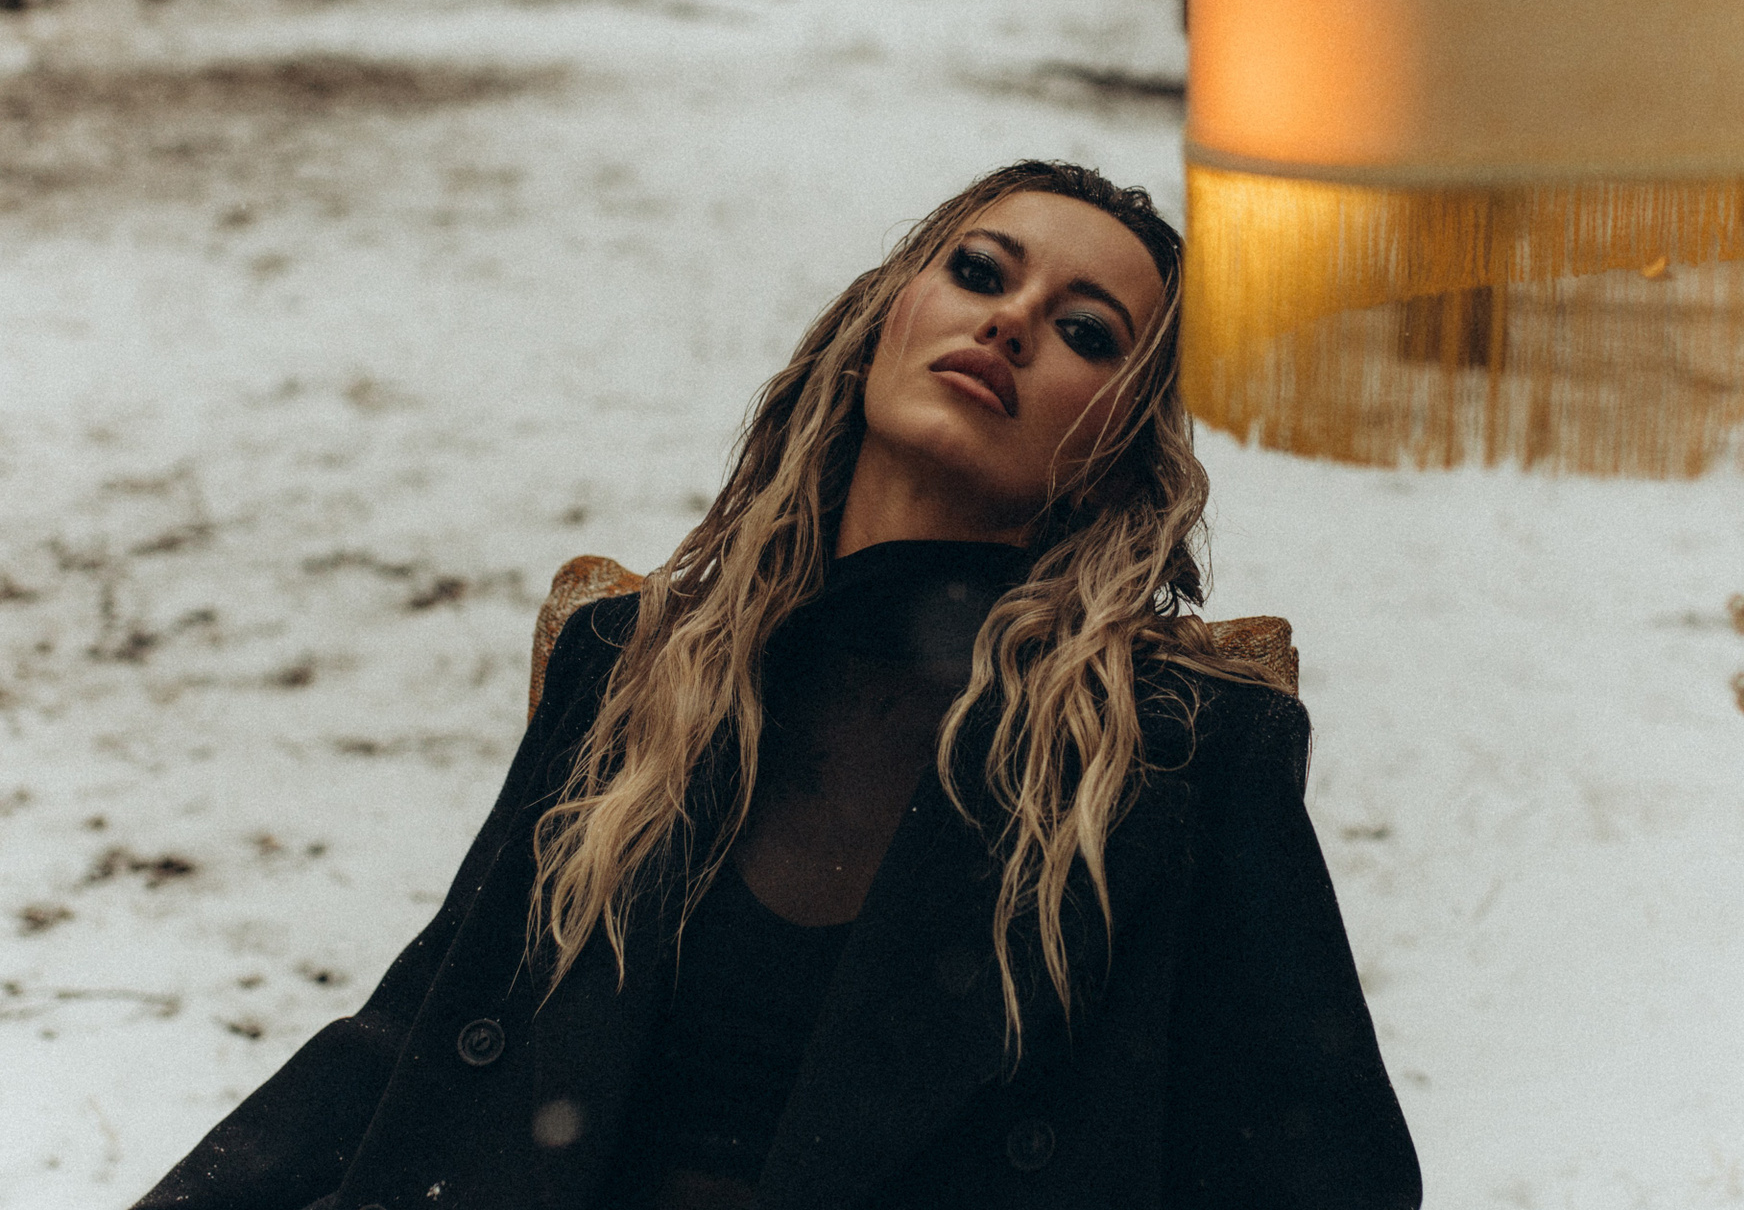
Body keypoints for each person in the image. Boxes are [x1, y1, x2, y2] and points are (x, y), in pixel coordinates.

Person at [131, 160, 1421, 1210]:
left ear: (1115, 448)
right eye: (979, 272)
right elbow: (422, 1037)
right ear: (881, 321)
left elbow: (1320, 1174)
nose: (1010, 322)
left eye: (1087, 332)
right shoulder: (640, 671)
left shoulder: (1170, 755)